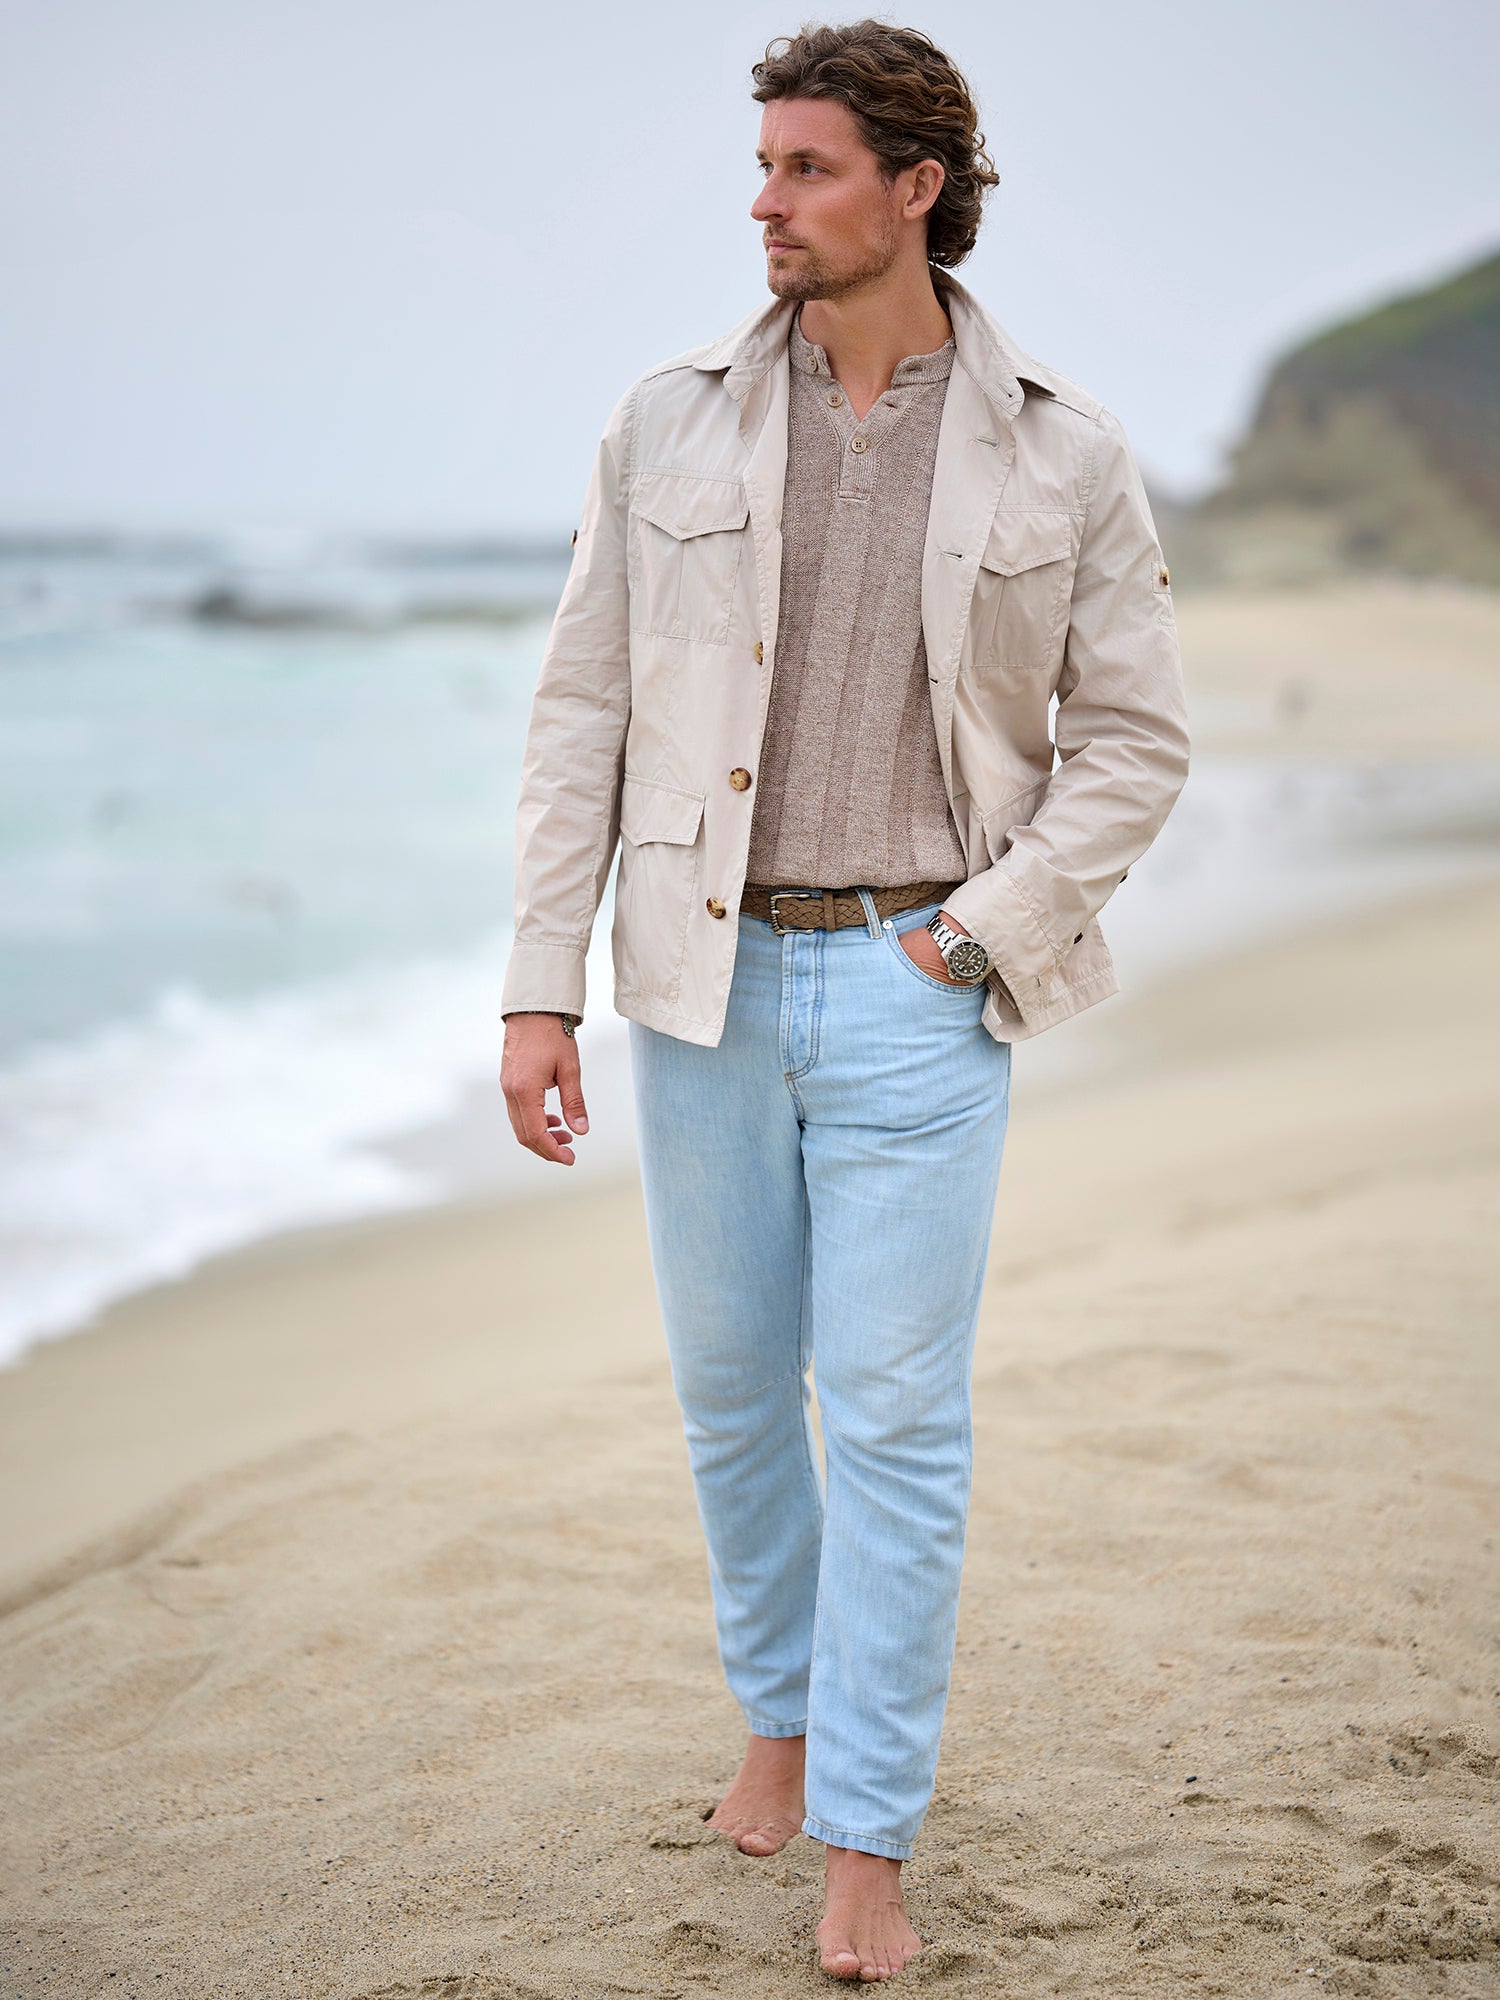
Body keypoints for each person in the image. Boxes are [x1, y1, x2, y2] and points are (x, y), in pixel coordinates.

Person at [500, 19, 1189, 1983]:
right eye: (764, 165)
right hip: (698, 983)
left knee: (890, 1419)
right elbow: (581, 710)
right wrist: (540, 990)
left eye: (806, 168)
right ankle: (781, 1722)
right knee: (734, 1397)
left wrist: (974, 938)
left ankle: (868, 1835)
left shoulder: (1064, 446)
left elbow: (1136, 739)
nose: (765, 203)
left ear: (916, 187)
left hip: (918, 986)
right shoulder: (668, 422)